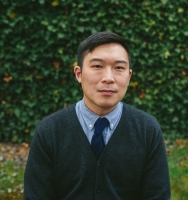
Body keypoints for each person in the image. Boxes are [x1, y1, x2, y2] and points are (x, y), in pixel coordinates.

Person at [24, 31, 170, 200]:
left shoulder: (147, 130)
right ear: (78, 74)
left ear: (129, 76)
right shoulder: (49, 132)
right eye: (97, 66)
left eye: (119, 68)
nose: (108, 78)